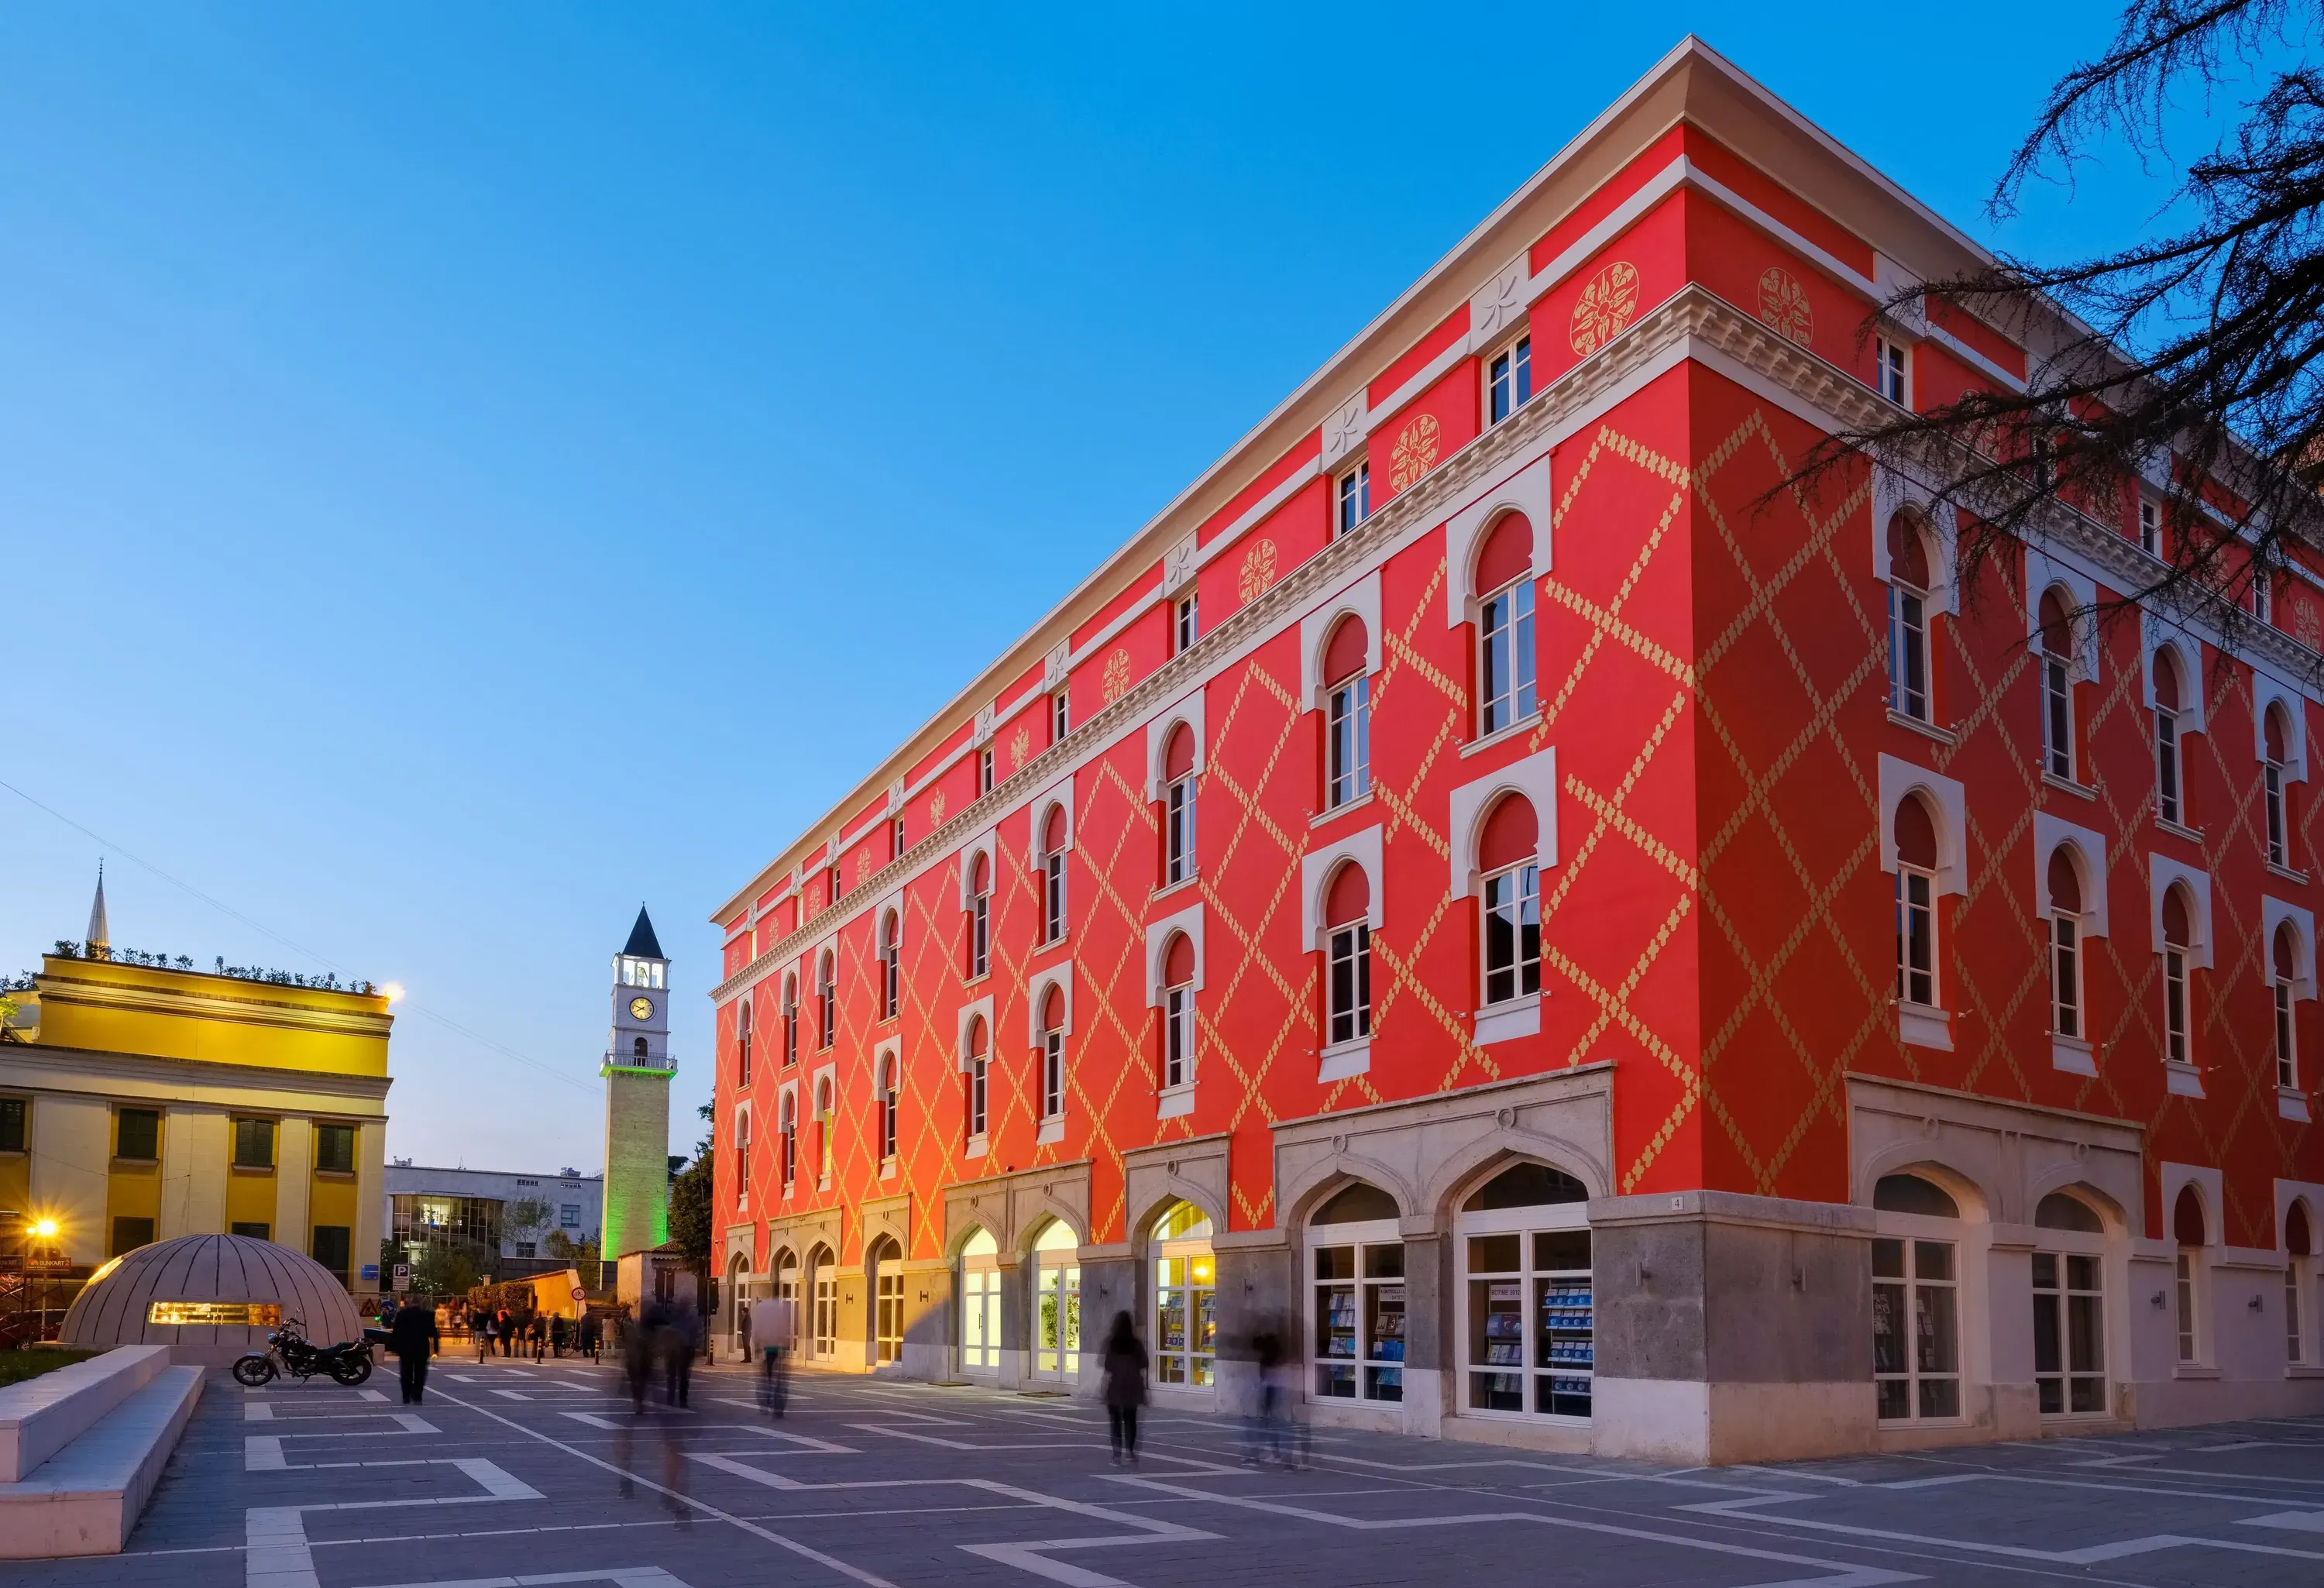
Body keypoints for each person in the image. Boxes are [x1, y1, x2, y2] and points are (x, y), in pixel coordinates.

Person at [1100, 1311, 1147, 1465]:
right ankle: (1130, 1452)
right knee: (1131, 1420)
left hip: (1116, 1387)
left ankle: (1116, 1455)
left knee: (1115, 1422)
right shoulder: (1136, 1344)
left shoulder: (1112, 1343)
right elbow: (1144, 1363)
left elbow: (1108, 1366)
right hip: (1132, 1386)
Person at [387, 1294, 441, 1404]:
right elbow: (434, 1333)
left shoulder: (402, 1314)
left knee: (406, 1372)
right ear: (420, 1303)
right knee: (420, 1373)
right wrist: (436, 1350)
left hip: (405, 1348)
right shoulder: (427, 1315)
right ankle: (417, 1396)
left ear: (410, 1303)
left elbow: (395, 1333)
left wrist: (393, 1347)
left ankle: (406, 1396)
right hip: (421, 1348)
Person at [750, 1289, 796, 1416]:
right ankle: (778, 1408)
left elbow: (755, 1329)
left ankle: (765, 1404)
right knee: (779, 1379)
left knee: (766, 1378)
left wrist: (757, 1345)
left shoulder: (760, 1308)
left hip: (766, 1347)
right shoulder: (781, 1308)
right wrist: (787, 1346)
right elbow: (787, 1327)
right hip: (778, 1347)